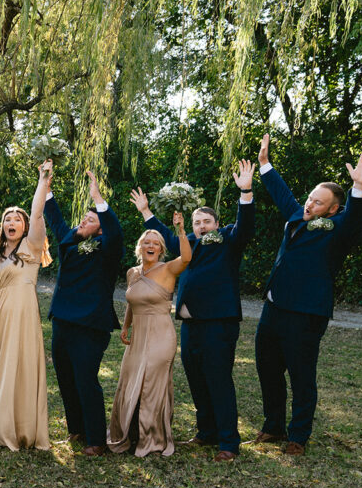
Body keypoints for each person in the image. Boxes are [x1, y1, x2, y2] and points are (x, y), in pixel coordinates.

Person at [254, 137, 362, 455]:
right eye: (310, 198)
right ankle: (273, 427)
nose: (310, 205)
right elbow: (282, 195)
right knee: (267, 368)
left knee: (301, 374)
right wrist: (265, 164)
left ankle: (298, 436)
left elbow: (354, 219)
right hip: (274, 306)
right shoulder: (298, 216)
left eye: (318, 203)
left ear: (334, 209)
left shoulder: (337, 228)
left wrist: (359, 187)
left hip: (306, 313)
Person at [132, 159, 256, 461]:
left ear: (216, 224)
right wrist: (146, 211)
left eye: (206, 222)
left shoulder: (228, 239)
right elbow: (164, 234)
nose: (201, 226)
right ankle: (207, 431)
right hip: (189, 324)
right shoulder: (187, 244)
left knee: (218, 380)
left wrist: (246, 192)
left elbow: (246, 226)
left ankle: (228, 441)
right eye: (197, 222)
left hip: (218, 323)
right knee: (197, 379)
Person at [0, 161, 54, 451]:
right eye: (8, 220)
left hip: (20, 316)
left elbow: (37, 212)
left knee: (16, 367)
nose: (12, 223)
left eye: (17, 220)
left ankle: (16, 427)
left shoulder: (31, 246)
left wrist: (42, 180)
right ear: (2, 226)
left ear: (25, 227)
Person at [44, 168, 124, 456]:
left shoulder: (107, 247)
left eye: (90, 220)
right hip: (63, 320)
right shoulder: (72, 243)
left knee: (85, 379)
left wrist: (99, 200)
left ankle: (96, 440)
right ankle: (76, 430)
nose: (82, 221)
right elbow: (55, 221)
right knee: (65, 377)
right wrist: (46, 188)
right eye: (84, 217)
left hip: (90, 324)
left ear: (101, 228)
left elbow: (115, 233)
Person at [107, 215, 191, 457]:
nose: (151, 246)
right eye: (147, 242)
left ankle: (152, 438)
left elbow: (186, 257)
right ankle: (130, 434)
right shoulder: (132, 273)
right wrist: (126, 326)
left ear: (162, 249)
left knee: (152, 383)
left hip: (161, 336)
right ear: (140, 248)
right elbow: (132, 302)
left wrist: (181, 229)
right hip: (138, 336)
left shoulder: (168, 269)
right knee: (130, 379)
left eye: (155, 243)